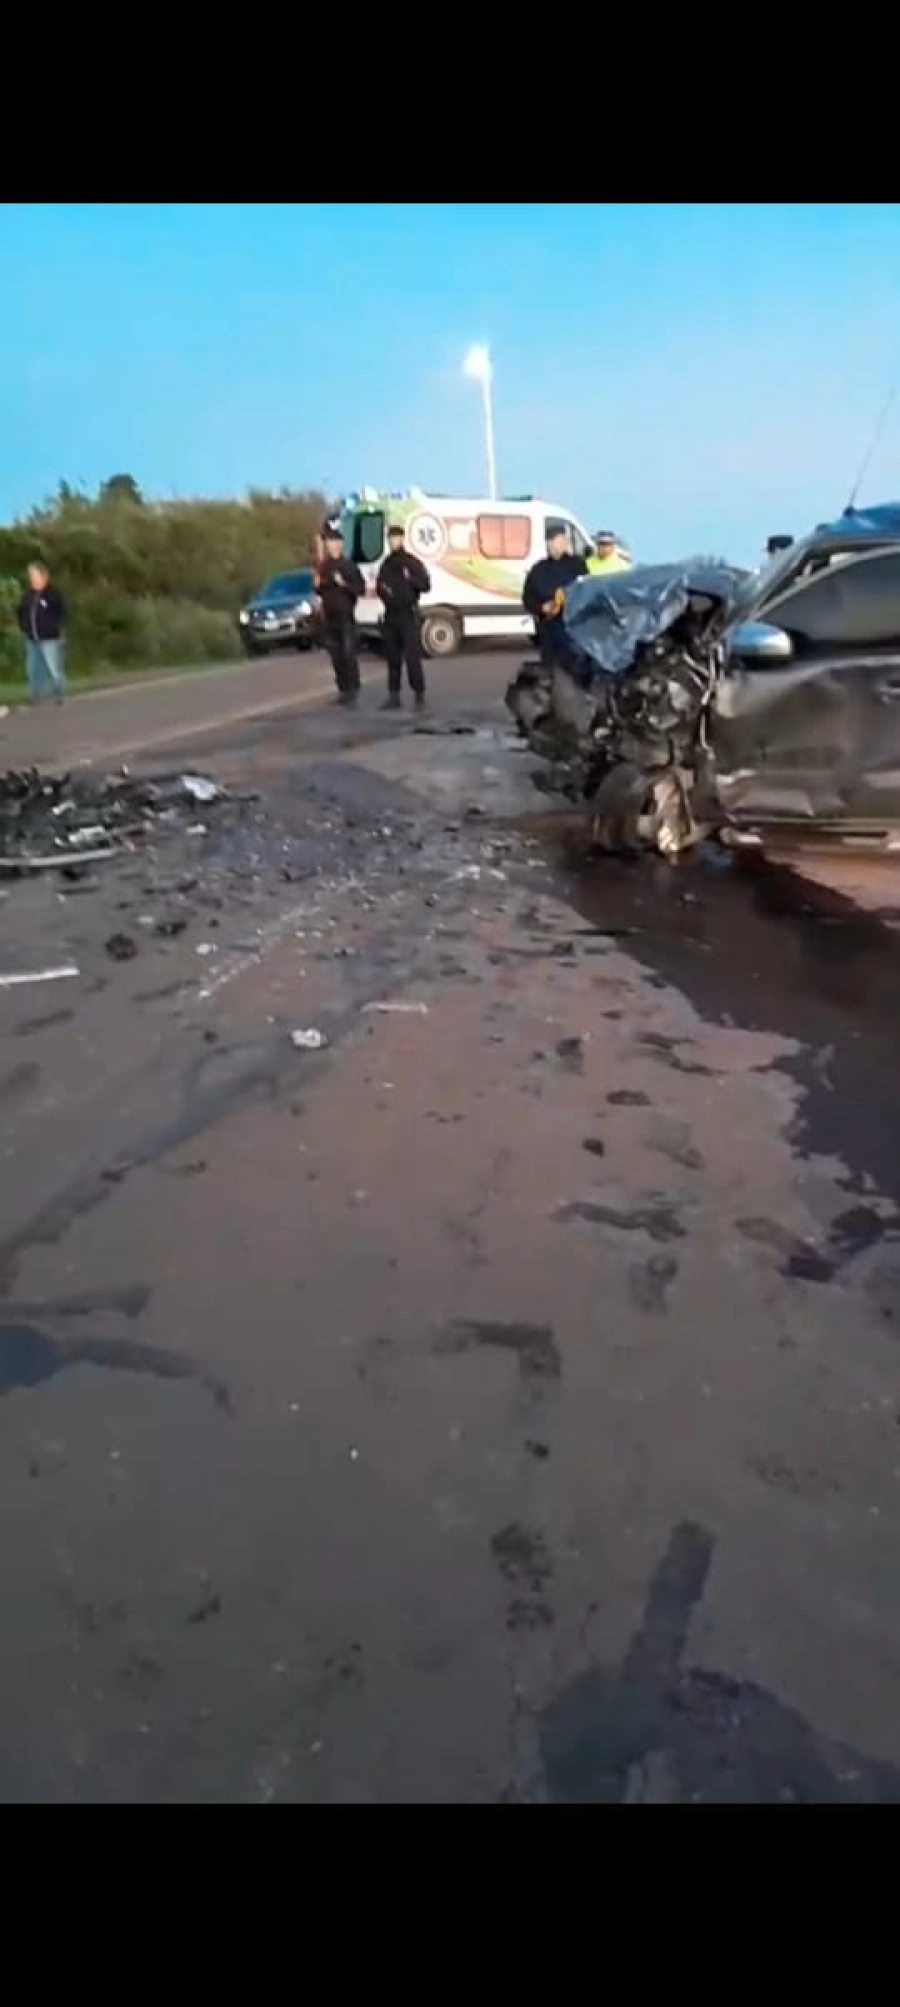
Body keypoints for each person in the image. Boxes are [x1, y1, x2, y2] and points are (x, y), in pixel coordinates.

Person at [375, 525, 431, 710]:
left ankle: (419, 695)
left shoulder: (411, 562)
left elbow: (425, 585)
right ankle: (394, 696)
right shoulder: (386, 564)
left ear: (403, 539)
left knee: (412, 657)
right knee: (392, 657)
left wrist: (411, 580)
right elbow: (379, 585)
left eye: (396, 538)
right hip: (391, 614)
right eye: (391, 539)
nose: (393, 542)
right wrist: (384, 592)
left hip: (408, 613)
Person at [522, 525, 588, 669]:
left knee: (574, 665)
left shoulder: (578, 566)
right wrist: (541, 607)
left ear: (565, 542)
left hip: (573, 627)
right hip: (548, 627)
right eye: (549, 541)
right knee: (551, 667)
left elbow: (586, 592)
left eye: (556, 540)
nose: (552, 545)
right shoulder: (538, 569)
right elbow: (527, 598)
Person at [315, 527, 365, 706]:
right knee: (335, 655)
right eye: (329, 543)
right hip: (329, 616)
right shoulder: (324, 567)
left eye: (335, 543)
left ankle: (353, 690)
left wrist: (344, 584)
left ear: (341, 545)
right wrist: (318, 587)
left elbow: (360, 589)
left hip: (345, 615)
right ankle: (343, 690)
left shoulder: (349, 566)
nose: (332, 547)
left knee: (348, 653)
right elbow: (319, 590)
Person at [16, 560, 67, 703]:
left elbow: (62, 612)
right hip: (32, 637)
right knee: (33, 669)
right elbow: (21, 612)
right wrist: (23, 627)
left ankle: (58, 691)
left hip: (49, 637)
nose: (32, 578)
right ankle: (35, 694)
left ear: (43, 576)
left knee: (53, 666)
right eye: (31, 575)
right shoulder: (28, 595)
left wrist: (56, 627)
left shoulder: (53, 594)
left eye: (35, 575)